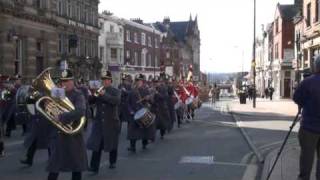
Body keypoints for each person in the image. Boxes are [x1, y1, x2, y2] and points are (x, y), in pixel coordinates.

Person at [47, 69, 88, 180]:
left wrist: (61, 117)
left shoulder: (78, 95)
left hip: (73, 135)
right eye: (63, 81)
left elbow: (81, 111)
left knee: (76, 167)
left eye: (68, 81)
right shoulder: (58, 94)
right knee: (54, 167)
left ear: (72, 81)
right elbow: (49, 110)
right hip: (59, 135)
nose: (65, 84)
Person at [87, 70, 121, 173]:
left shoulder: (116, 91)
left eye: (107, 80)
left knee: (112, 143)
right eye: (103, 80)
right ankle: (94, 167)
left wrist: (104, 94)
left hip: (111, 122)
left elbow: (116, 101)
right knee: (97, 145)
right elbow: (90, 102)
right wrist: (93, 94)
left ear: (110, 81)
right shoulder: (99, 90)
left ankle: (112, 161)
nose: (105, 82)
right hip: (99, 122)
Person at [293, 55, 320, 180]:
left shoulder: (308, 82)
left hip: (309, 128)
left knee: (306, 162)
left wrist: (305, 104)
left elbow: (297, 98)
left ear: (315, 66)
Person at [127, 74, 156, 152]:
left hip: (143, 111)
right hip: (134, 113)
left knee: (145, 128)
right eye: (137, 81)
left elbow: (151, 101)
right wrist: (130, 111)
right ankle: (132, 146)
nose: (139, 82)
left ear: (142, 82)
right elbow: (128, 103)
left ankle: (144, 142)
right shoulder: (131, 91)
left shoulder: (145, 90)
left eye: (140, 81)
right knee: (132, 130)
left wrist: (149, 98)